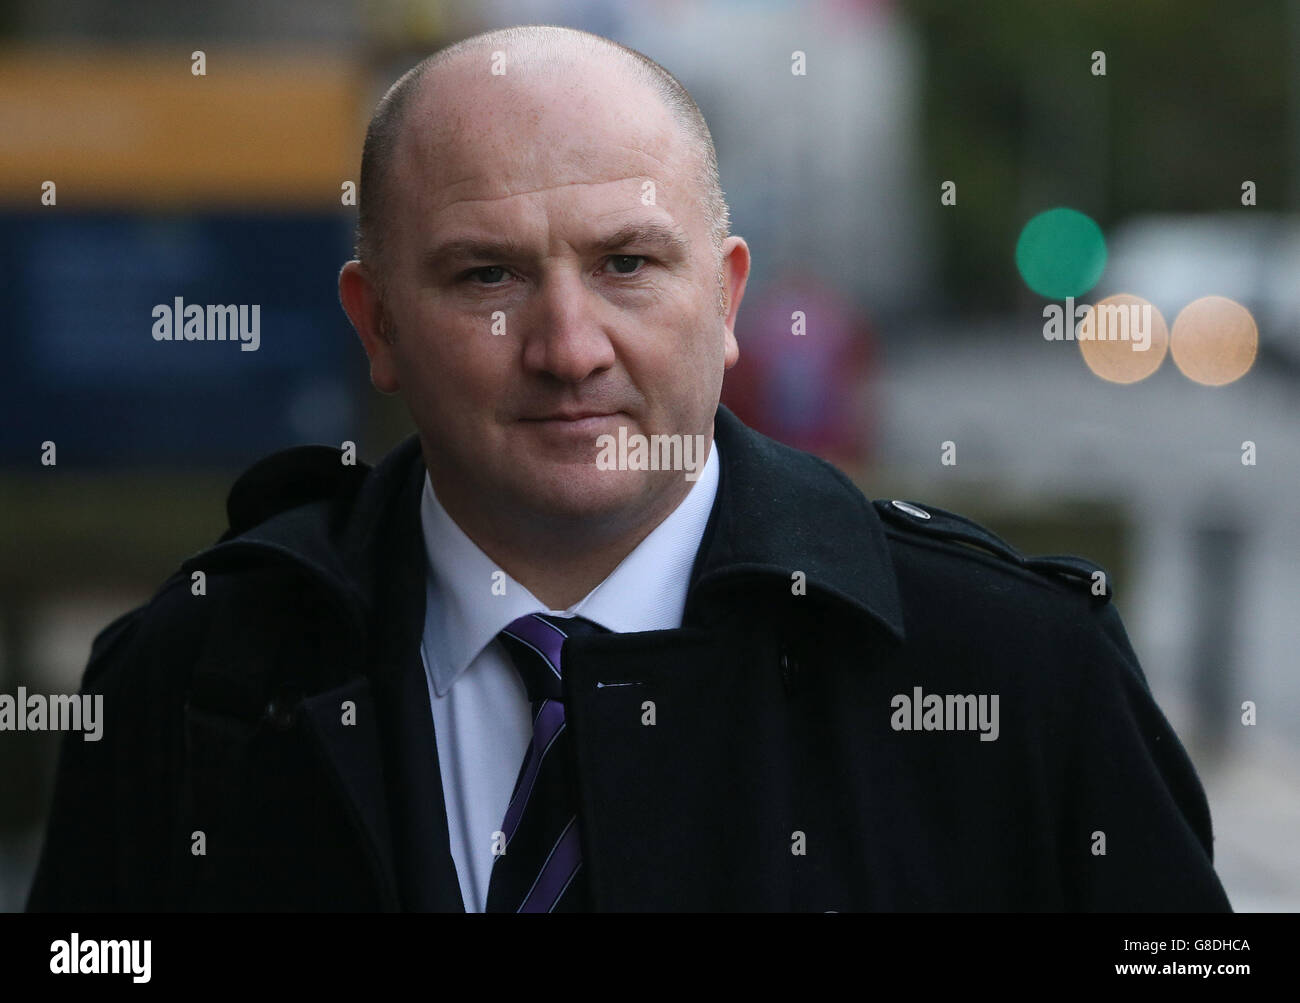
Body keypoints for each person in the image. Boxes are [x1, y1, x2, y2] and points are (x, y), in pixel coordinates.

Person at [27, 25, 1230, 912]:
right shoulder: (186, 689)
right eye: (486, 276)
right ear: (377, 323)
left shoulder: (1019, 679)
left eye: (626, 265)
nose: (567, 349)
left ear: (725, 300)